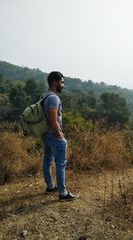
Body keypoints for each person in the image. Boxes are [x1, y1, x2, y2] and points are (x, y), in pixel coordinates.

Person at [42, 71, 78, 201]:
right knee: (61, 164)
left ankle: (50, 186)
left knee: (47, 161)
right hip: (54, 135)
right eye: (62, 82)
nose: (63, 85)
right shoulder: (54, 98)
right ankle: (63, 193)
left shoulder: (44, 96)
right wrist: (58, 134)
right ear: (55, 82)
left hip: (46, 135)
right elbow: (53, 118)